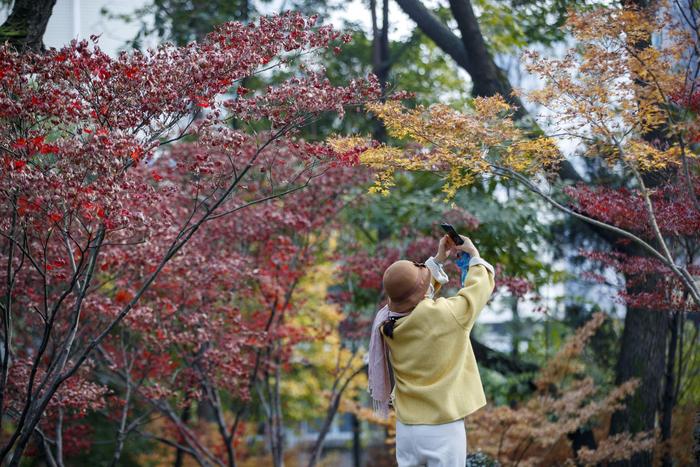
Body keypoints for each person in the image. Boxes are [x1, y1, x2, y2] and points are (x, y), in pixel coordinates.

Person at [368, 234, 495, 467]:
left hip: (406, 429)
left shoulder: (387, 322)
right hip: (442, 427)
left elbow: (414, 299)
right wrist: (475, 257)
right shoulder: (445, 316)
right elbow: (477, 292)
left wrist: (438, 260)